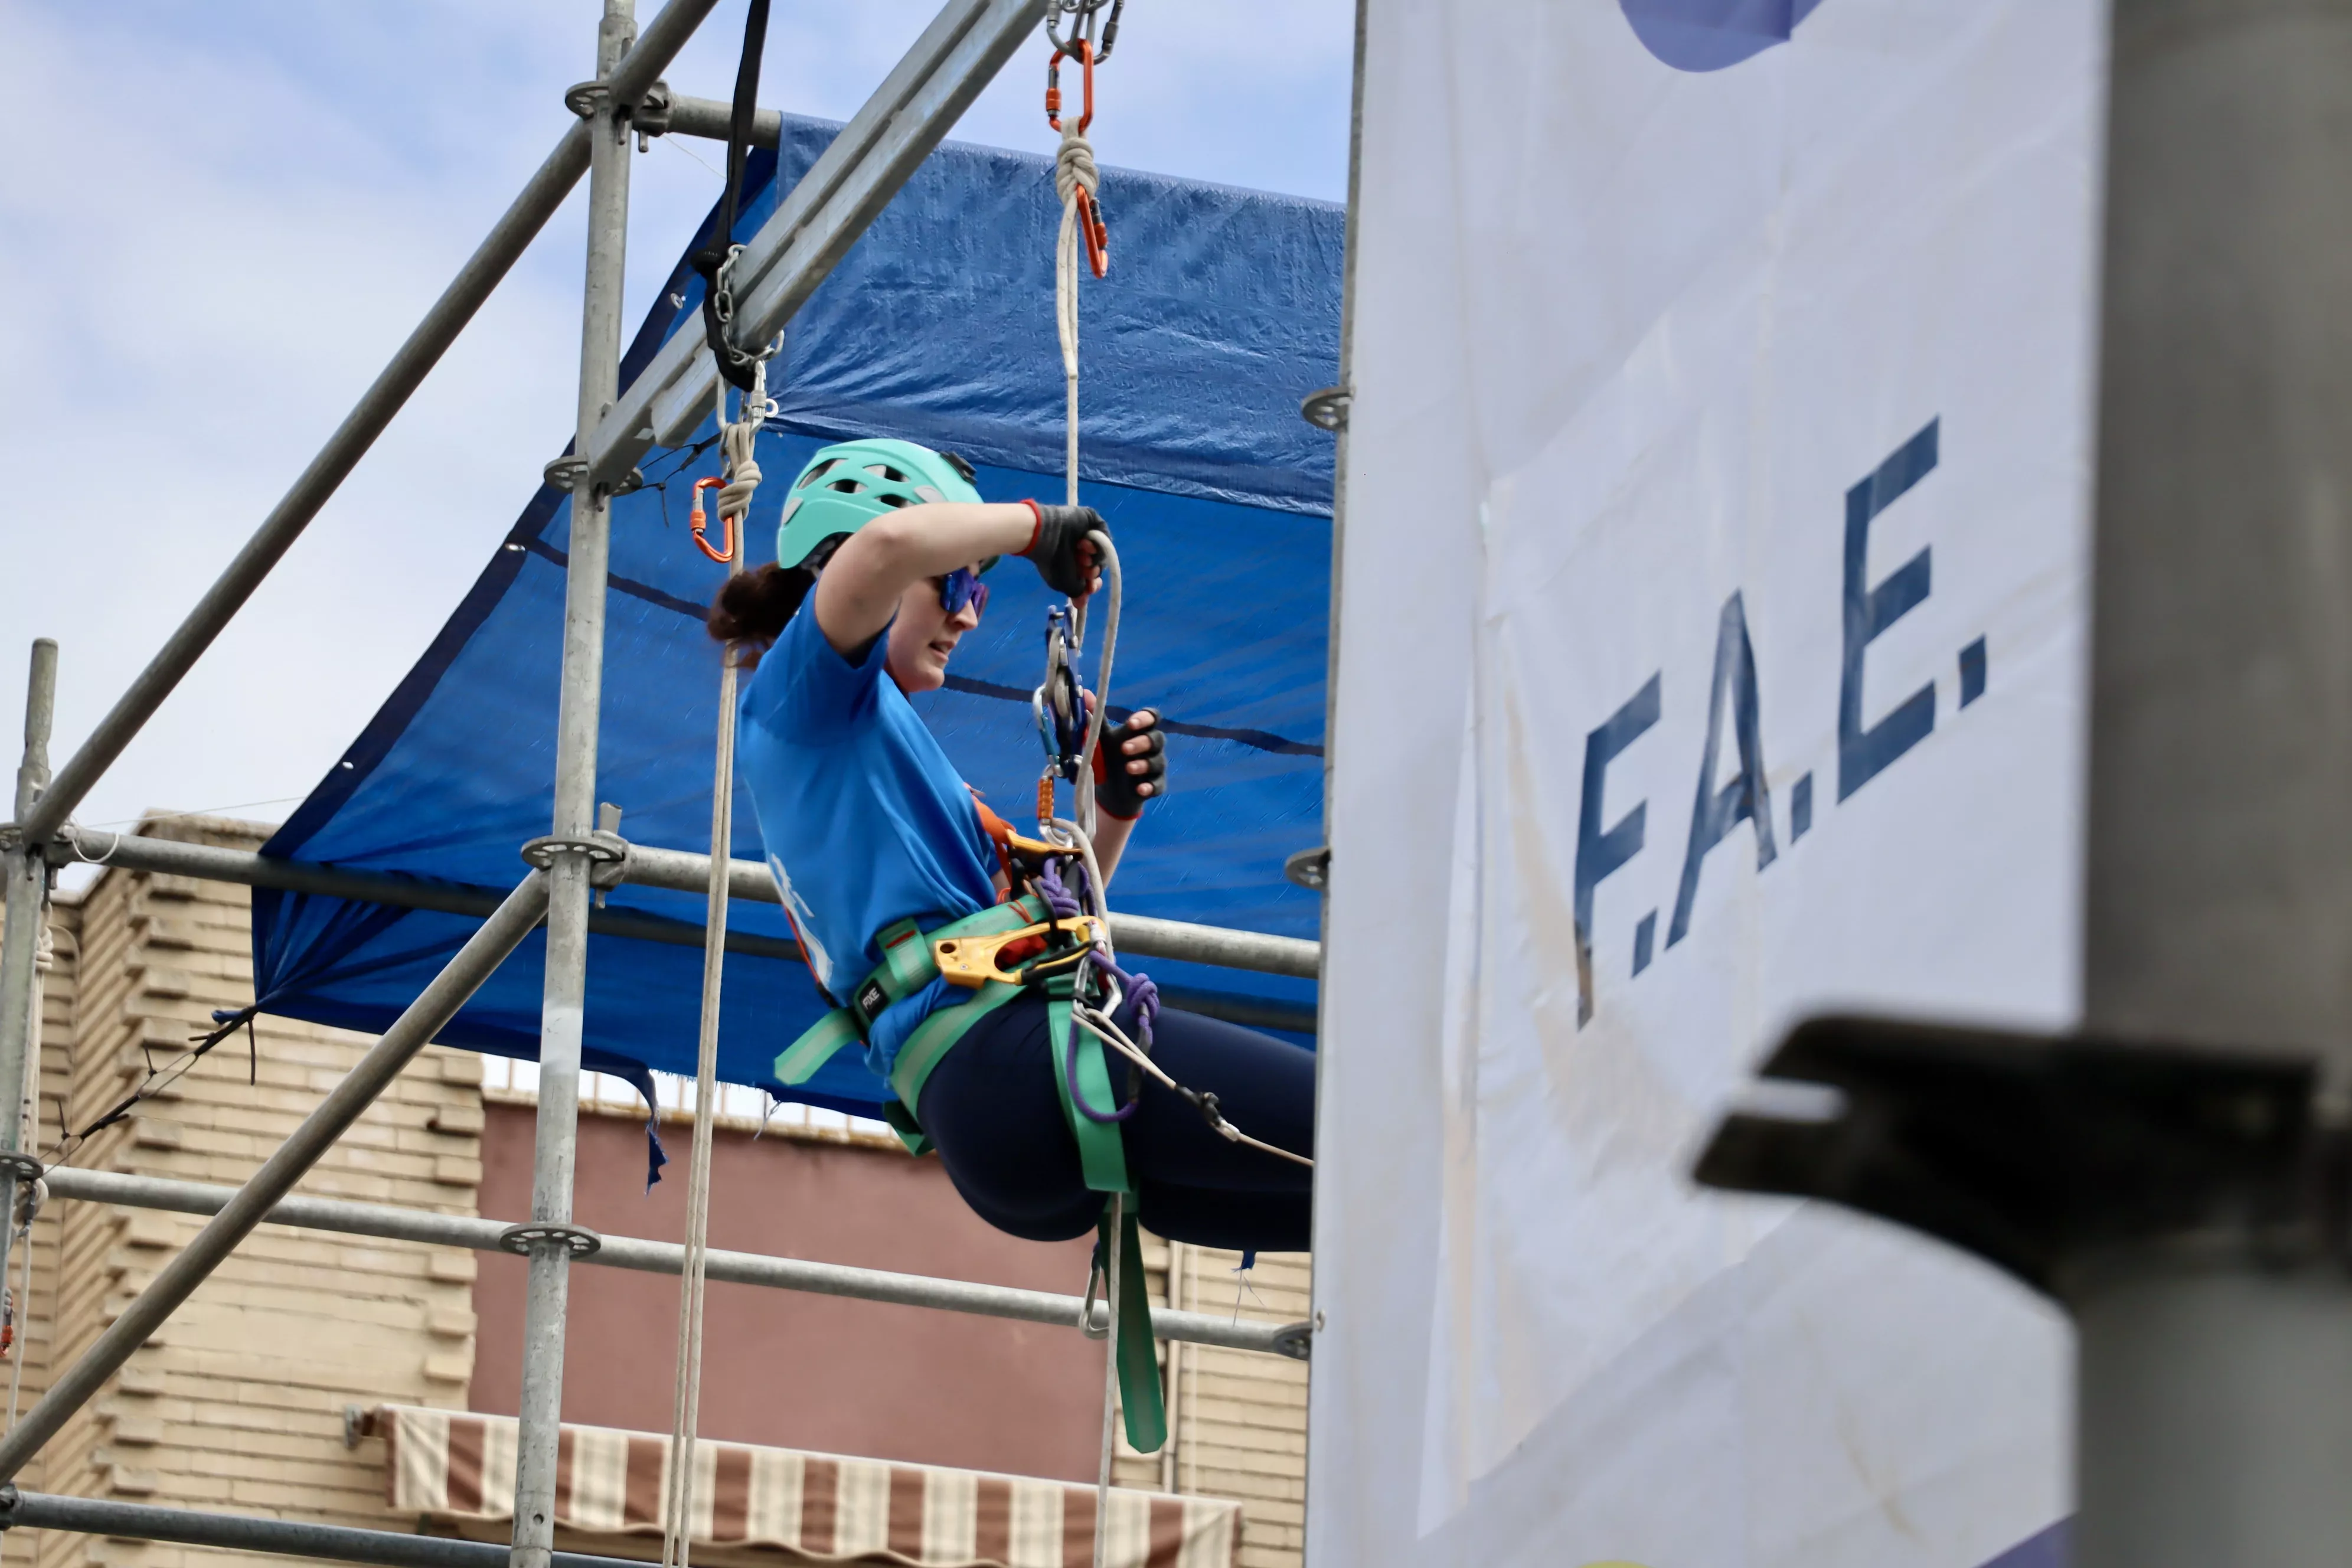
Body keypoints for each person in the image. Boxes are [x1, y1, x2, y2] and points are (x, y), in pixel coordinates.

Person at [707, 437, 1314, 1255]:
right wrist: (1035, 529)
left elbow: (1052, 927)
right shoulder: (798, 697)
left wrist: (1112, 813)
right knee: (1376, 1134)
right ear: (837, 567)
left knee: (1374, 1212)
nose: (965, 614)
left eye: (979, 596)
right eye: (956, 583)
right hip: (1011, 1059)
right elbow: (883, 547)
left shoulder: (867, 756)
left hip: (992, 1108)